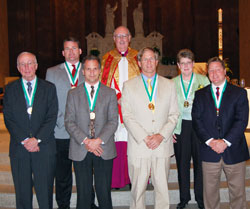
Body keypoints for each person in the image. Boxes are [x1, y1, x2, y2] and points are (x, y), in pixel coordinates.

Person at [121, 47, 179, 209]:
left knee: (162, 189)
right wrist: (145, 137)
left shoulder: (169, 85)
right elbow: (127, 116)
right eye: (145, 59)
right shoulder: (129, 86)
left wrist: (161, 136)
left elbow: (174, 114)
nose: (148, 62)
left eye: (152, 59)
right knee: (138, 190)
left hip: (161, 145)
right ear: (139, 63)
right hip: (140, 145)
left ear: (157, 61)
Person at [192, 57, 250, 209]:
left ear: (224, 71)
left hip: (234, 149)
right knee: (210, 195)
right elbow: (197, 121)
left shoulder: (239, 93)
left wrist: (225, 142)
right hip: (209, 151)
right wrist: (211, 141)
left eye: (218, 69)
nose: (214, 73)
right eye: (211, 70)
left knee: (238, 194)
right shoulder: (200, 95)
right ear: (207, 74)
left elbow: (241, 120)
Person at [3, 52, 58, 209]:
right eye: (22, 64)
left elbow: (51, 117)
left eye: (29, 63)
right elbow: (9, 118)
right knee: (22, 195)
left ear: (36, 66)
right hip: (20, 150)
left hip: (44, 148)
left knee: (45, 194)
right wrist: (25, 140)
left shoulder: (49, 88)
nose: (26, 67)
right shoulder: (10, 89)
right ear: (18, 68)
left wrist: (37, 139)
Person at [65, 55, 118, 209]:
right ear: (83, 71)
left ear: (100, 71)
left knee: (103, 192)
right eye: (88, 69)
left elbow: (113, 120)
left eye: (95, 69)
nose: (92, 72)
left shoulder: (110, 93)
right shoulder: (73, 94)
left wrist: (98, 140)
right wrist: (87, 141)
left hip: (104, 147)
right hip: (81, 147)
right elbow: (69, 121)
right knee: (83, 193)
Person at [46, 37, 92, 209]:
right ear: (63, 52)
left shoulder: (89, 70)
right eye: (68, 49)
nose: (71, 52)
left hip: (84, 132)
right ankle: (63, 204)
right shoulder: (52, 72)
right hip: (61, 131)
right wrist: (60, 121)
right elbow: (50, 101)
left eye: (74, 48)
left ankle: (88, 202)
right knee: (63, 173)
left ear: (80, 51)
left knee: (85, 173)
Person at [101, 26, 141, 189]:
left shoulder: (138, 57)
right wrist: (116, 98)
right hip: (114, 107)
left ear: (130, 37)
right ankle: (117, 180)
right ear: (114, 39)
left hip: (135, 108)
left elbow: (145, 83)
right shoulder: (107, 58)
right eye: (118, 36)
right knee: (117, 140)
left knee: (134, 142)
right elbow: (103, 83)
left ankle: (135, 179)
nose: (122, 39)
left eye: (125, 35)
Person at [173, 49, 209, 209]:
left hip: (199, 126)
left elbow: (210, 106)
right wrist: (171, 129)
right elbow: (167, 108)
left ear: (193, 64)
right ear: (178, 65)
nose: (186, 66)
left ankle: (201, 199)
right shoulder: (172, 83)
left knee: (200, 164)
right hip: (181, 126)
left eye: (189, 63)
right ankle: (184, 198)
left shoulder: (204, 80)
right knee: (182, 163)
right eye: (183, 63)